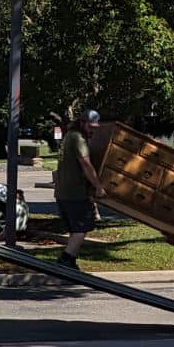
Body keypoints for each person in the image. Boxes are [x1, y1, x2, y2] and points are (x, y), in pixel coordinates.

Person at [53, 110, 104, 270]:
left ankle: (71, 262)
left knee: (75, 230)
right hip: (74, 192)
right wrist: (98, 186)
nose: (93, 130)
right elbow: (86, 164)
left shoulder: (69, 135)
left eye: (95, 127)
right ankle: (65, 260)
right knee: (82, 228)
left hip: (63, 192)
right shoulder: (78, 139)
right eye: (90, 126)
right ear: (82, 123)